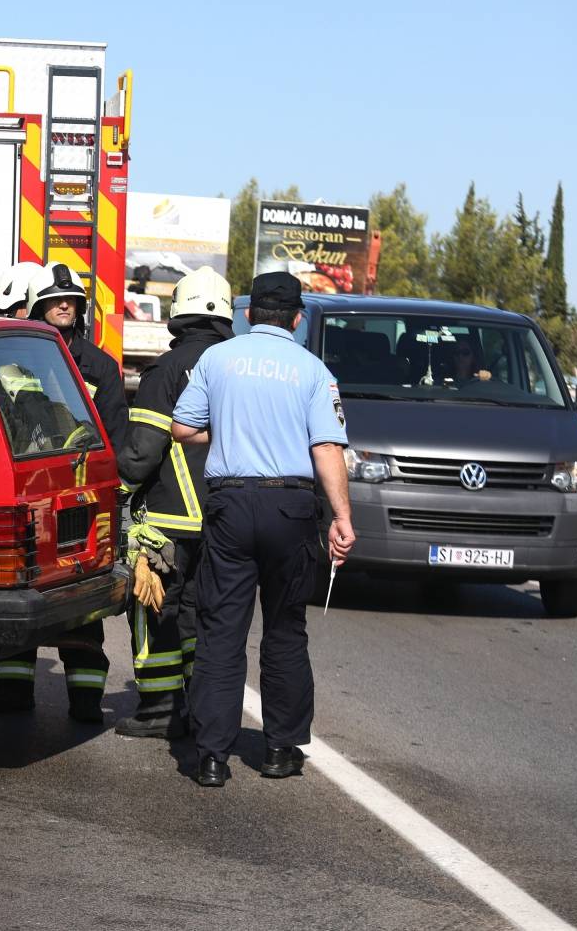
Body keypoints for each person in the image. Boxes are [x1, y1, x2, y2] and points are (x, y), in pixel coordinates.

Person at [170, 271, 355, 787]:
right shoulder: (313, 370)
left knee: (221, 631)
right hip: (290, 508)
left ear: (248, 314)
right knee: (284, 628)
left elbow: (182, 427)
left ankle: (211, 756)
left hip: (229, 503)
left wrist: (226, 430)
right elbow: (326, 448)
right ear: (297, 318)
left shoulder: (217, 359)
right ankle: (280, 748)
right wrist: (341, 516)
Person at [0, 262, 128, 721]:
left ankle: (85, 699)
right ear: (38, 306)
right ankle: (12, 692)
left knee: (81, 602)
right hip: (29, 495)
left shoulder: (99, 365)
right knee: (21, 591)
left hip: (83, 498)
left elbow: (114, 435)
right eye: (54, 300)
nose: (64, 305)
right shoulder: (16, 359)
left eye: (72, 300)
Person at [114, 266, 234, 739]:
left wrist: (119, 491)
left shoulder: (166, 371)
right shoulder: (237, 363)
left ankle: (161, 710)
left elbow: (143, 450)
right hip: (228, 517)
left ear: (177, 313)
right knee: (207, 616)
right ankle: (202, 707)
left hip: (169, 519)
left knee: (156, 607)